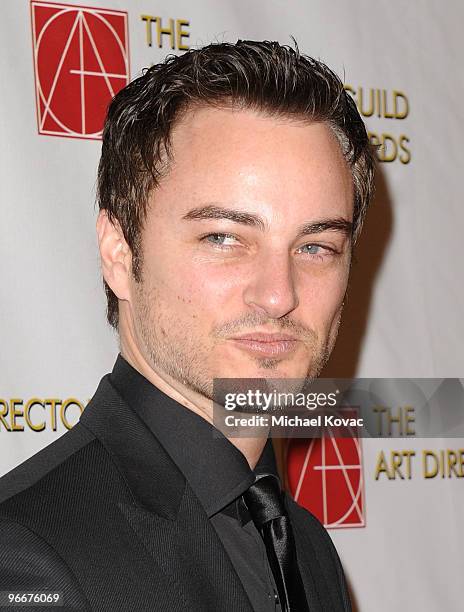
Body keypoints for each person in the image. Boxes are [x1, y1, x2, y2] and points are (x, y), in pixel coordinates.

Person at [0, 39, 375, 611]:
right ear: (120, 253)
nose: (279, 294)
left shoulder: (310, 549)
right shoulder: (25, 553)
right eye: (223, 238)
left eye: (316, 245)